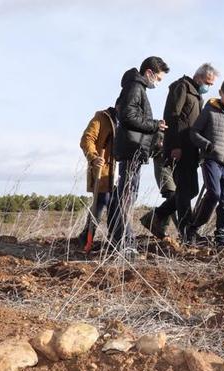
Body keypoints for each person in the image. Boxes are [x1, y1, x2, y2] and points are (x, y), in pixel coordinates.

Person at [108, 56, 169, 256]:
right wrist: (154, 125)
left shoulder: (135, 87)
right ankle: (125, 242)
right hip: (131, 149)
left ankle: (120, 240)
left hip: (132, 149)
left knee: (126, 195)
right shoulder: (135, 87)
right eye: (158, 79)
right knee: (127, 195)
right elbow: (127, 115)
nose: (158, 83)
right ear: (149, 73)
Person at [163, 63, 219, 240]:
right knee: (186, 190)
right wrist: (175, 146)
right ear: (199, 77)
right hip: (181, 147)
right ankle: (186, 231)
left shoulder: (196, 94)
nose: (208, 87)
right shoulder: (182, 87)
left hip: (191, 148)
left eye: (211, 84)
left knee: (191, 190)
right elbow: (172, 117)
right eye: (208, 83)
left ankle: (157, 215)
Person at [187, 76, 224, 247]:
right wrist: (207, 145)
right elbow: (194, 133)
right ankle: (194, 227)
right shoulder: (209, 110)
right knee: (214, 194)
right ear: (221, 93)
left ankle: (221, 234)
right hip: (211, 160)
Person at [78, 106, 116, 250]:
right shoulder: (101, 118)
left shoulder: (129, 121)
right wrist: (93, 157)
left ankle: (114, 240)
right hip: (103, 171)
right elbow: (87, 139)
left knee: (116, 206)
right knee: (100, 203)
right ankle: (86, 238)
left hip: (120, 174)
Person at [138, 129, 176, 239]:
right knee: (172, 196)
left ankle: (160, 228)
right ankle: (183, 230)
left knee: (174, 199)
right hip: (163, 168)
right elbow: (150, 151)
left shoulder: (180, 131)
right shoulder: (159, 132)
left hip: (176, 170)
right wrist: (160, 147)